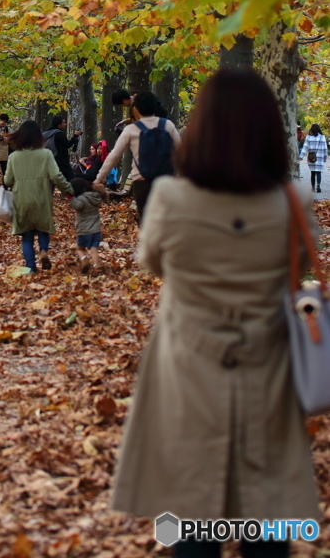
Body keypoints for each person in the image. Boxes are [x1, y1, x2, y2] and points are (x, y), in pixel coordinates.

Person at [111, 69, 319, 557]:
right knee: (267, 514)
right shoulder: (293, 203)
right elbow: (300, 267)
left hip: (189, 365)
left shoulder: (170, 199)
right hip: (268, 365)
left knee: (189, 512)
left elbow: (152, 262)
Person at [95, 90, 180, 223]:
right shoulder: (167, 125)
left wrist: (98, 178)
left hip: (141, 178)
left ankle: (148, 241)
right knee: (165, 219)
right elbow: (182, 149)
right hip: (165, 176)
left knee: (146, 220)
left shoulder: (131, 129)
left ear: (138, 109)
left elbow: (114, 156)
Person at [3, 119, 73, 273]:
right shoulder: (46, 154)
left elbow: (7, 180)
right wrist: (69, 189)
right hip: (42, 198)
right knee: (43, 229)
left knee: (26, 236)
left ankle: (30, 267)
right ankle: (43, 251)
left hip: (22, 200)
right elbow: (56, 176)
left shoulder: (14, 157)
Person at [69, 177, 108, 273]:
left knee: (80, 249)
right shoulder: (96, 196)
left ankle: (84, 260)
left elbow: (77, 205)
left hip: (84, 230)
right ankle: (96, 265)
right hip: (96, 230)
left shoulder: (81, 199)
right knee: (94, 250)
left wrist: (70, 197)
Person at [43, 114, 82, 182]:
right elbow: (67, 144)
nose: (65, 124)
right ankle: (71, 192)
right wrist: (75, 136)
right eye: (63, 122)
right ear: (58, 124)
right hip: (62, 161)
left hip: (52, 160)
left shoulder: (48, 133)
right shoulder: (59, 133)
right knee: (71, 179)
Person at [300, 123, 327, 193]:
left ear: (311, 129)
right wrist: (325, 158)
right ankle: (318, 186)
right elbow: (325, 148)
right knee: (318, 172)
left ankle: (313, 188)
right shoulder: (322, 137)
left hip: (311, 157)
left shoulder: (308, 137)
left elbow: (305, 147)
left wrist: (301, 156)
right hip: (320, 157)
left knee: (312, 172)